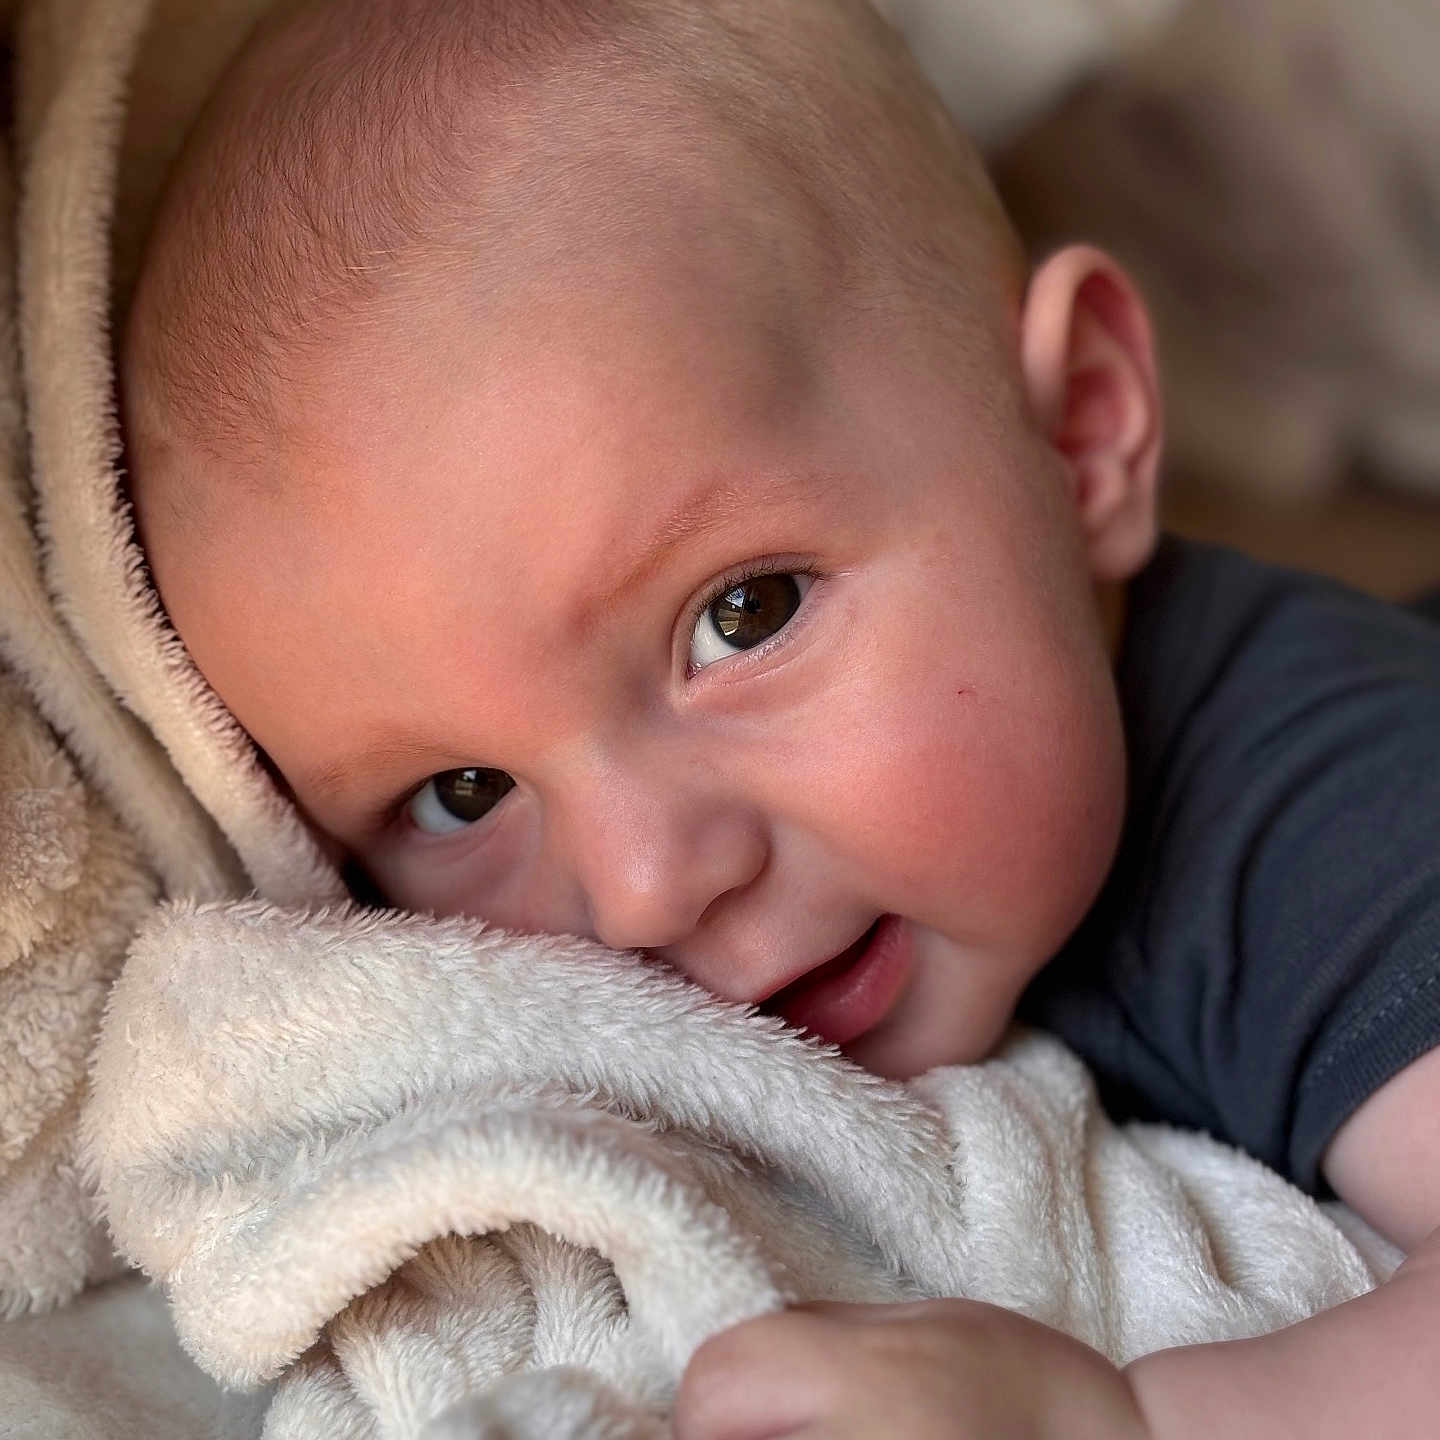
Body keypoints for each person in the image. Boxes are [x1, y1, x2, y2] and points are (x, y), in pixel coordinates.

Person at [119, 0, 1440, 1434]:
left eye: (738, 617)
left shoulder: (1327, 806)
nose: (641, 887)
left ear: (1083, 432)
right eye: (463, 792)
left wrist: (1126, 1423)